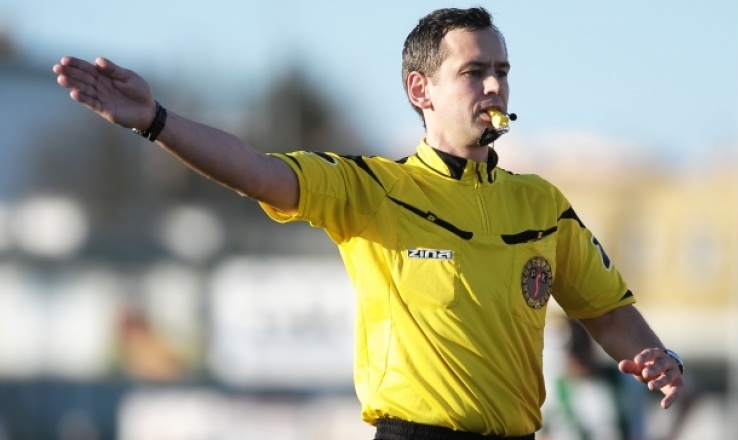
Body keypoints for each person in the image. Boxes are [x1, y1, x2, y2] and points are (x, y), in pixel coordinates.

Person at [53, 7, 684, 440]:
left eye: (502, 72)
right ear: (421, 89)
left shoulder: (541, 203)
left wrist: (655, 355)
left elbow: (606, 311)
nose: (494, 86)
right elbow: (255, 170)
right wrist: (156, 121)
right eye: (474, 72)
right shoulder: (374, 188)